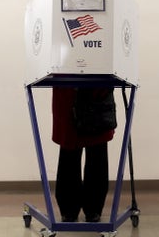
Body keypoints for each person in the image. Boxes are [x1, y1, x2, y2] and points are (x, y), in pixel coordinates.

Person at [52, 86, 117, 223]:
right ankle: (69, 209)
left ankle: (93, 208)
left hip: (97, 91)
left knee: (97, 151)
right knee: (70, 151)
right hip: (68, 89)